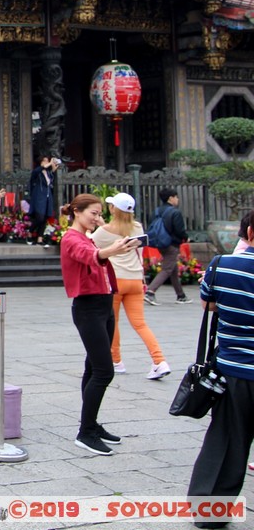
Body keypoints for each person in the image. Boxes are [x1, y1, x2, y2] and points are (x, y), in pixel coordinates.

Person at [60, 192, 142, 456]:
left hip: (104, 305)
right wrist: (111, 250)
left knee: (93, 367)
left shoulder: (85, 237)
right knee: (104, 371)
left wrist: (115, 249)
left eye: (99, 214)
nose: (97, 218)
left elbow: (95, 255)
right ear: (77, 211)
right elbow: (89, 256)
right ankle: (85, 432)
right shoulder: (71, 238)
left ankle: (91, 425)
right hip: (89, 308)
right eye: (93, 213)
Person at [187, 210, 254, 527]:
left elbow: (209, 304)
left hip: (234, 370)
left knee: (227, 440)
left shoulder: (222, 265)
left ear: (249, 233)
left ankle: (209, 513)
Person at [90, 192, 170, 380]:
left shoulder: (104, 231)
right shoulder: (137, 228)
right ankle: (159, 360)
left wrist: (100, 225)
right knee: (140, 323)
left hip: (116, 280)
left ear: (112, 209)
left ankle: (116, 361)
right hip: (135, 280)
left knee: (113, 322)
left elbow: (92, 244)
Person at [145, 187, 191, 305]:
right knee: (167, 269)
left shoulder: (156, 211)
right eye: (176, 197)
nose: (177, 199)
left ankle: (181, 295)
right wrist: (186, 237)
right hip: (172, 243)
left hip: (159, 243)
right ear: (171, 198)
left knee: (172, 268)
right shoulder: (175, 212)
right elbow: (179, 230)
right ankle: (150, 292)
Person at [28, 156, 60, 246]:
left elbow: (50, 182)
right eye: (44, 161)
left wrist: (53, 169)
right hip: (39, 197)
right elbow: (36, 173)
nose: (47, 162)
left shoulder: (48, 173)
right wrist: (49, 164)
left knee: (45, 218)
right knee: (40, 217)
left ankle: (40, 238)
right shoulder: (37, 171)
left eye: (47, 161)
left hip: (47, 197)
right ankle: (30, 232)